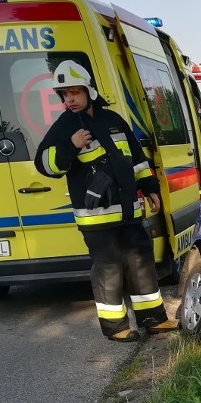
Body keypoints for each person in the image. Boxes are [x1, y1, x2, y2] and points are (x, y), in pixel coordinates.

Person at [35, 60, 176, 342]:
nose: (69, 99)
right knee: (109, 271)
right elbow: (44, 164)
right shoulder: (64, 127)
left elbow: (137, 159)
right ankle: (116, 328)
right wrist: (69, 146)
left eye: (75, 92)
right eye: (65, 94)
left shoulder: (113, 121)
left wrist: (150, 189)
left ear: (89, 90)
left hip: (128, 213)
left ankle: (154, 319)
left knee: (141, 264)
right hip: (97, 220)